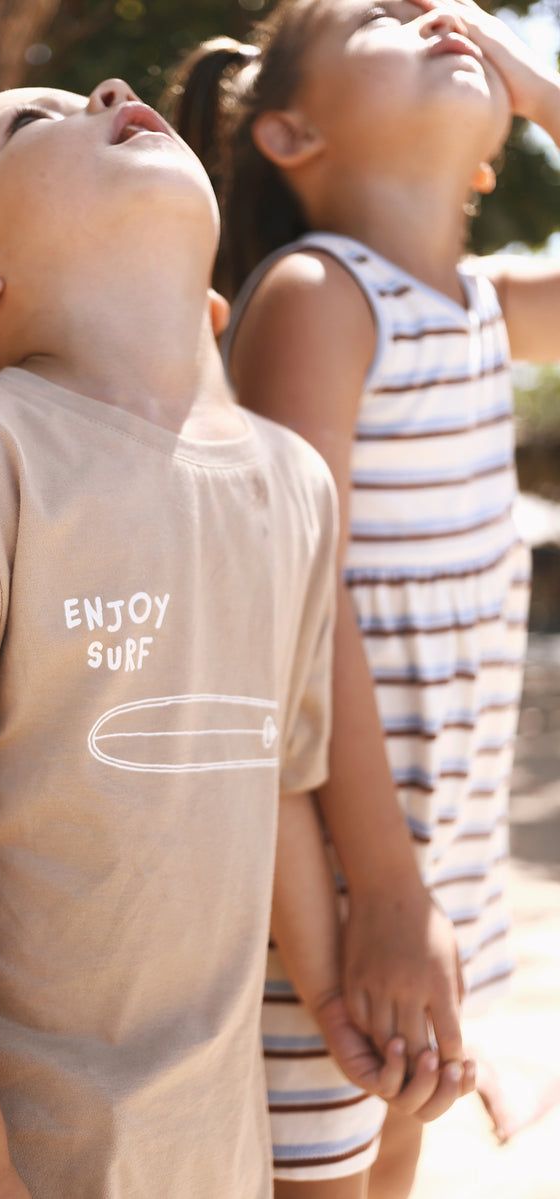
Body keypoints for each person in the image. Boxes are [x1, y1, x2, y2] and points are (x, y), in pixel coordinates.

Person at [0, 77, 417, 1199]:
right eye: (29, 120)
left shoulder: (293, 485)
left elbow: (271, 786)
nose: (111, 88)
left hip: (198, 1155)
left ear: (211, 302)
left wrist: (333, 1001)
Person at [171, 1, 560, 1196]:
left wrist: (541, 90)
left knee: (389, 1150)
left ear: (488, 156)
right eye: (383, 18)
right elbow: (298, 593)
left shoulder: (480, 308)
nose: (440, 19)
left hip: (433, 850)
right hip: (341, 865)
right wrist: (385, 893)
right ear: (291, 134)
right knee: (324, 1170)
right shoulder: (319, 293)